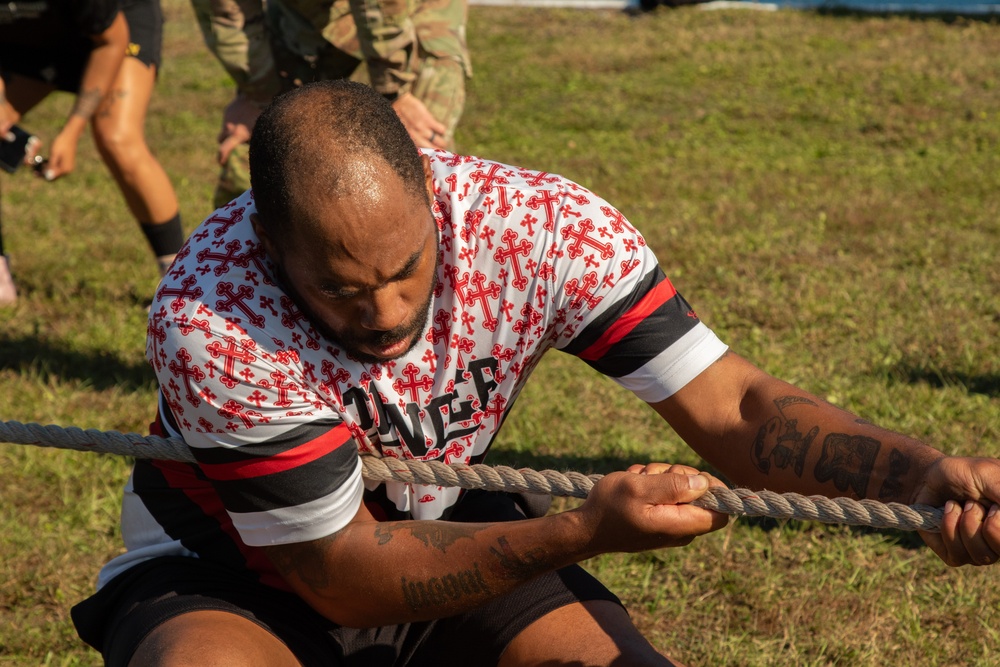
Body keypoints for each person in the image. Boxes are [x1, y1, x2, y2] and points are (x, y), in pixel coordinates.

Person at [71, 80, 1000, 666]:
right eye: (342, 288)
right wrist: (582, 530)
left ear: (435, 191)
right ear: (270, 244)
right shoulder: (210, 312)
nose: (386, 314)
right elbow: (339, 574)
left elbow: (735, 409)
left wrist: (921, 474)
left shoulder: (539, 230)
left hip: (441, 528)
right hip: (235, 568)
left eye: (405, 270)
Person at [190, 0, 470, 210]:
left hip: (410, 11)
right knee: (262, 143)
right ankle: (234, 275)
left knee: (419, 156)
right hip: (309, 14)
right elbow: (225, 10)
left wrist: (395, 89)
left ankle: (436, 275)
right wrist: (259, 94)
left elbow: (382, 7)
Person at [0, 0, 186, 307]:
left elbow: (111, 43)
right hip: (32, 40)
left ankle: (182, 281)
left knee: (116, 137)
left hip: (115, 29)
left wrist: (71, 132)